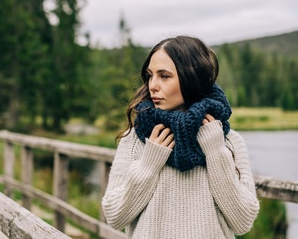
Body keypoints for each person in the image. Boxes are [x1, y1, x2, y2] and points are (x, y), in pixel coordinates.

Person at [102, 35, 259, 239]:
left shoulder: (228, 140)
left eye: (164, 76)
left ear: (191, 79)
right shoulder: (135, 139)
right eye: (150, 75)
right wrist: (149, 165)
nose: (153, 85)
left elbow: (243, 222)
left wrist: (215, 152)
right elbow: (115, 217)